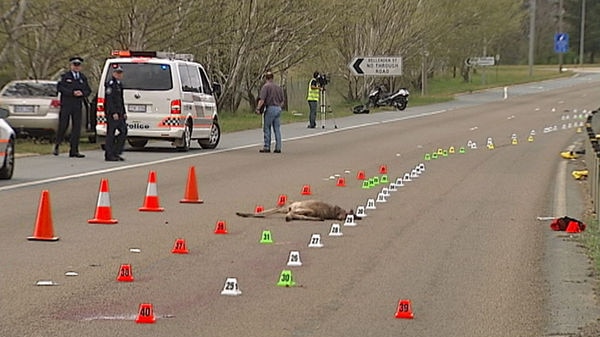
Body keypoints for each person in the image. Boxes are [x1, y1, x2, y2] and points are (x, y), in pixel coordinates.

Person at [53, 56, 92, 157]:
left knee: (76, 128)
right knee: (63, 126)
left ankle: (74, 150)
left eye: (78, 65)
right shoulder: (65, 76)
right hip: (66, 104)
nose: (76, 67)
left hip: (77, 105)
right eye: (74, 65)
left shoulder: (82, 78)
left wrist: (82, 93)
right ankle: (57, 145)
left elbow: (88, 90)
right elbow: (60, 88)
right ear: (70, 66)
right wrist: (72, 92)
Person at [256, 71, 285, 153]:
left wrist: (258, 108)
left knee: (267, 127)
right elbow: (283, 100)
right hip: (278, 108)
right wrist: (279, 107)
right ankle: (278, 147)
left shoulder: (266, 87)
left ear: (266, 78)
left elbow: (262, 99)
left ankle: (267, 146)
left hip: (270, 108)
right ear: (272, 77)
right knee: (277, 129)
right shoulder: (278, 87)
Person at [104, 66, 127, 161]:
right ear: (113, 73)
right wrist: (113, 112)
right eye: (117, 73)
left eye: (120, 73)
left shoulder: (119, 84)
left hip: (120, 112)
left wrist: (124, 112)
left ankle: (116, 152)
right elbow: (109, 100)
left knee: (123, 131)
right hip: (112, 113)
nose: (119, 74)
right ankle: (109, 154)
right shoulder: (111, 84)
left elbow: (121, 100)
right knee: (111, 134)